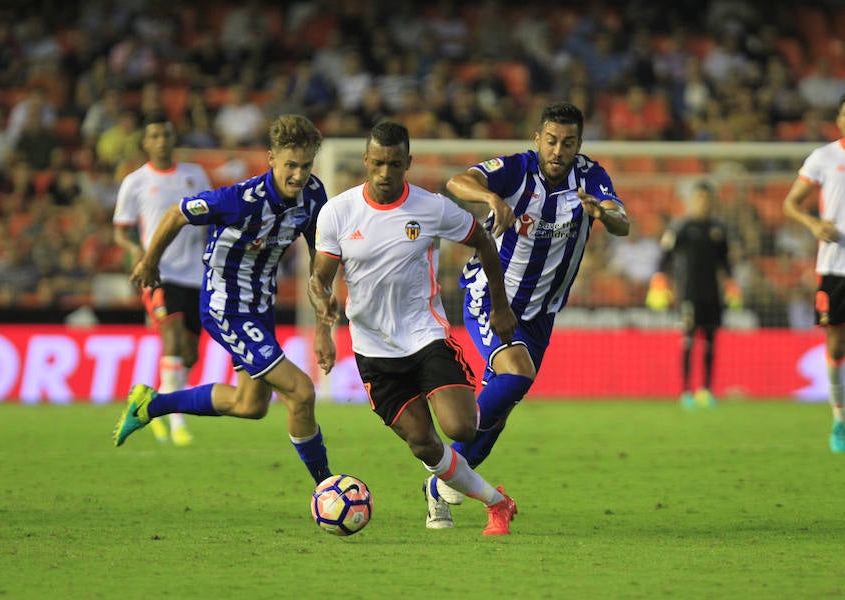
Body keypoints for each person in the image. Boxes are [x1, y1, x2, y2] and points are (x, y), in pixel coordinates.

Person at [309, 121, 519, 535]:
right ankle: (497, 503)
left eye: (394, 164)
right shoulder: (337, 212)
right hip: (373, 351)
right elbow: (320, 280)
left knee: (461, 428)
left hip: (426, 336)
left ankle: (468, 451)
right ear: (366, 161)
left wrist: (501, 305)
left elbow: (483, 242)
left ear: (408, 162)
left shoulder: (433, 208)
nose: (386, 173)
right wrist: (322, 327)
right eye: (378, 163)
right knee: (424, 443)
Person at [426, 102, 630, 521]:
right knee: (517, 374)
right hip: (491, 296)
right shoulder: (517, 169)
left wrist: (604, 214)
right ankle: (444, 472)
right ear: (538, 138)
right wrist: (490, 198)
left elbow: (622, 220)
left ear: (579, 144)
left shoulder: (590, 176)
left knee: (496, 415)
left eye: (568, 143)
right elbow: (457, 180)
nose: (558, 151)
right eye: (551, 141)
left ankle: (443, 481)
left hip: (541, 314)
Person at [112, 114, 334, 486]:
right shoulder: (239, 200)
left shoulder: (313, 196)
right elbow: (175, 213)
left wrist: (323, 328)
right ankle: (327, 486)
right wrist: (150, 262)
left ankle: (149, 404)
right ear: (271, 159)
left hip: (261, 306)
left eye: (306, 165)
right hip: (225, 307)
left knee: (250, 405)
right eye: (290, 166)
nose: (298, 175)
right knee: (301, 391)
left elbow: (318, 262)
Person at [113, 112, 211, 446]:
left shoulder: (194, 175)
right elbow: (121, 231)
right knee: (170, 340)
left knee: (190, 355)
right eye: (154, 135)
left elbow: (211, 218)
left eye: (166, 134)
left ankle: (153, 404)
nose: (161, 141)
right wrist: (137, 253)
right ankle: (177, 423)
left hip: (195, 273)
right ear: (145, 142)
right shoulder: (135, 182)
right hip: (158, 272)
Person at [782, 94, 845, 453]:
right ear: (838, 119)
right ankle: (839, 420)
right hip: (835, 267)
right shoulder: (824, 158)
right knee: (836, 345)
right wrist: (813, 224)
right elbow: (790, 204)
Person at [647, 180, 741, 409]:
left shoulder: (718, 230)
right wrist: (660, 280)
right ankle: (686, 391)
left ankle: (706, 390)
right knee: (688, 341)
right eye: (699, 199)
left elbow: (725, 262)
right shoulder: (680, 228)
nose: (703, 203)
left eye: (706, 199)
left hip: (712, 295)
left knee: (710, 342)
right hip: (688, 294)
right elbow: (664, 256)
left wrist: (731, 284)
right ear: (691, 201)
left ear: (712, 202)